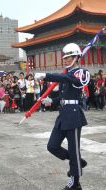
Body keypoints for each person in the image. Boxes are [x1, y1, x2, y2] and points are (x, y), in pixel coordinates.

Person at [35, 43, 90, 190]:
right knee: (52, 146)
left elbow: (71, 80)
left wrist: (47, 75)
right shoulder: (67, 74)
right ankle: (78, 161)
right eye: (64, 57)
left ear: (76, 58)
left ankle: (75, 183)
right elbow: (63, 96)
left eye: (68, 57)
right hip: (63, 114)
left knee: (74, 149)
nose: (65, 60)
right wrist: (51, 101)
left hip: (73, 115)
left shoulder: (82, 73)